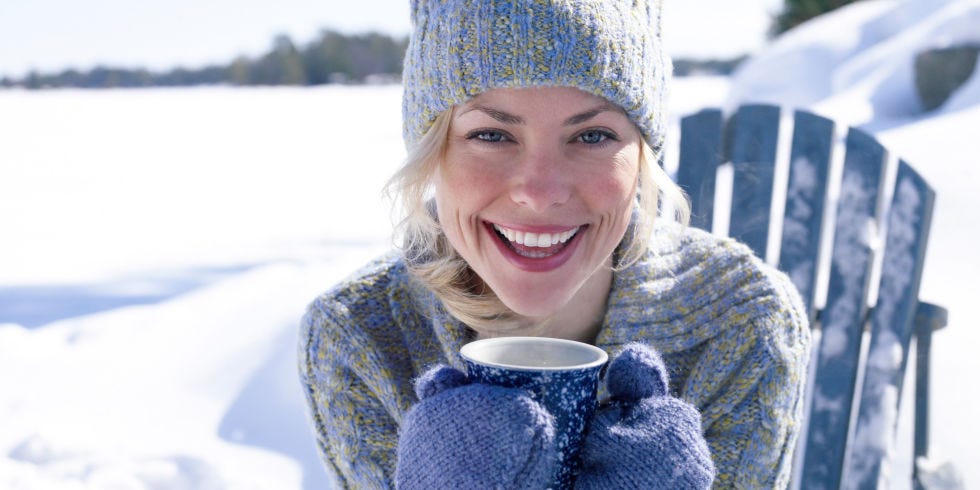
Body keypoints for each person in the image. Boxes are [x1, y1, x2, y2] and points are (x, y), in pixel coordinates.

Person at [299, 0, 811, 488]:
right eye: (492, 135)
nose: (541, 194)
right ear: (432, 154)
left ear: (641, 161)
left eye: (591, 137)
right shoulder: (361, 337)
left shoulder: (740, 319)